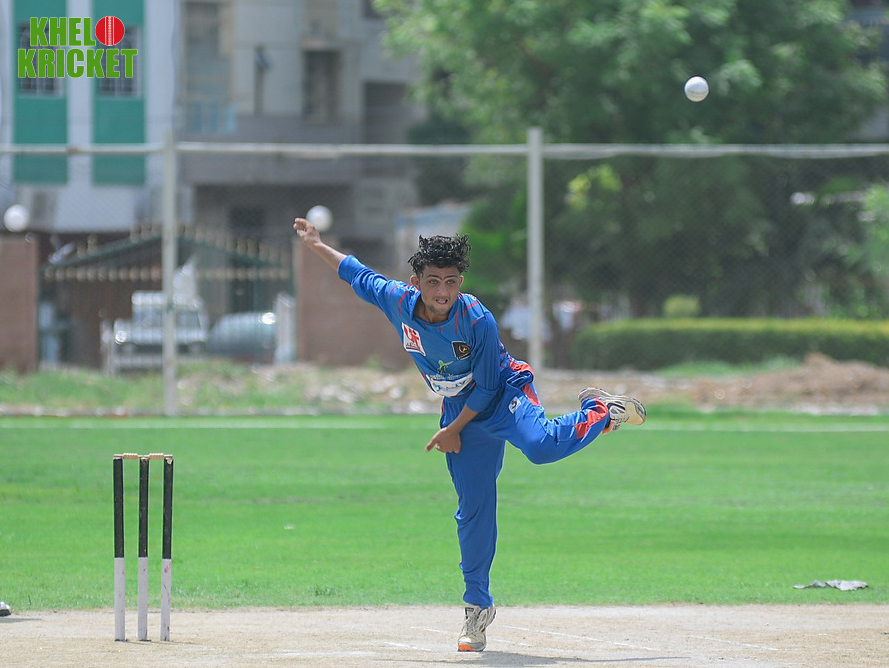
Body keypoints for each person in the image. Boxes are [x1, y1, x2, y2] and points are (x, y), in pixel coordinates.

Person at [293, 219, 646, 652]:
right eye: (433, 281)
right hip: (460, 411)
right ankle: (477, 608)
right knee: (473, 511)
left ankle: (600, 411)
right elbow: (357, 273)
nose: (442, 291)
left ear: (460, 282)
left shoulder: (476, 318)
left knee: (540, 447)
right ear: (416, 283)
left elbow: (487, 387)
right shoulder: (398, 300)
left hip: (502, 393)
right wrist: (316, 244)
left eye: (451, 281)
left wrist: (452, 430)